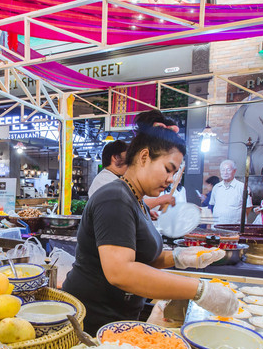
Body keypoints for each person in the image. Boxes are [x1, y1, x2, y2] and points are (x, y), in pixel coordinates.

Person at [62, 126, 238, 335]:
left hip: (118, 315)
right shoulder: (115, 197)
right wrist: (199, 290)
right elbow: (120, 272)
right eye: (168, 169)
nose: (171, 179)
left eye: (174, 173)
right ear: (144, 157)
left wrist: (179, 257)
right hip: (93, 318)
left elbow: (140, 256)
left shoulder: (138, 201)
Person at [134, 110, 179, 215]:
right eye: (166, 169)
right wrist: (159, 201)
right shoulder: (119, 195)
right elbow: (130, 204)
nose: (170, 179)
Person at [209, 160, 252, 224]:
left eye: (228, 170)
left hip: (235, 228)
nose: (225, 172)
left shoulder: (242, 187)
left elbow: (248, 207)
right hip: (217, 227)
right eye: (223, 170)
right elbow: (212, 205)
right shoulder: (216, 187)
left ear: (234, 171)